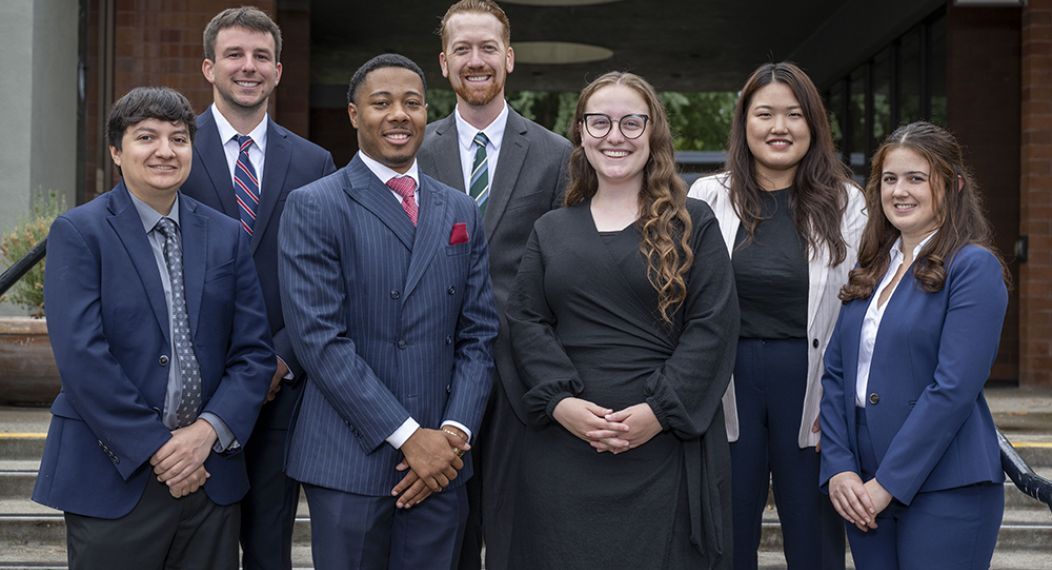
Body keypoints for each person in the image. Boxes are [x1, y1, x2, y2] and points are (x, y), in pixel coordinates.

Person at [32, 86, 274, 569]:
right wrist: (160, 449)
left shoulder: (225, 235)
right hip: (112, 477)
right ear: (117, 152)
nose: (165, 151)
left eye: (179, 139)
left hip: (210, 479)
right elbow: (83, 359)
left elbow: (254, 354)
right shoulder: (80, 233)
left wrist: (206, 433)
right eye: (147, 137)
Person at [506, 71, 739, 569]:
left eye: (632, 123)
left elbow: (713, 328)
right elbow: (526, 321)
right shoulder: (550, 229)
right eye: (600, 122)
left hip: (665, 446)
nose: (615, 136)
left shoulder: (694, 222)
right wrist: (561, 403)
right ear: (581, 133)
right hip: (564, 450)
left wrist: (659, 412)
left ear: (654, 132)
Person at [278, 53, 499, 569]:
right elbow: (319, 341)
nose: (398, 115)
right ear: (355, 114)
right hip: (350, 459)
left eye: (413, 103)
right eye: (381, 103)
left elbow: (480, 334)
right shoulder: (316, 204)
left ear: (427, 113)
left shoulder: (460, 208)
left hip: (442, 463)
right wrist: (407, 437)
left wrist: (453, 434)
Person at [688, 61, 865, 570]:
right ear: (744, 123)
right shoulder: (708, 196)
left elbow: (857, 305)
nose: (779, 127)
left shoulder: (847, 203)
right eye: (764, 113)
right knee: (727, 531)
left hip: (811, 383)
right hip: (728, 382)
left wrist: (837, 398)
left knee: (813, 537)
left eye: (794, 114)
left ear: (814, 124)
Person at [178, 8, 337, 568]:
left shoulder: (315, 163)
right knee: (199, 547)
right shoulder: (173, 151)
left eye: (261, 56)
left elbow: (328, 277)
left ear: (278, 70)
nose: (248, 67)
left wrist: (281, 358)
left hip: (282, 389)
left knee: (271, 547)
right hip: (191, 391)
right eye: (235, 55)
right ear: (208, 67)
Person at [417, 2, 571, 568]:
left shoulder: (557, 155)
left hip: (520, 376)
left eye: (487, 48)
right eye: (462, 49)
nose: (475, 60)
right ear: (444, 62)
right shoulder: (414, 150)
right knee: (443, 532)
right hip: (432, 374)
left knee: (516, 535)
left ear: (509, 57)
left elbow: (566, 271)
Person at [820, 121, 1009, 570]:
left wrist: (886, 483)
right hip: (862, 484)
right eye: (889, 179)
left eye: (916, 178)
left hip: (946, 485)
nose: (899, 191)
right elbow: (836, 374)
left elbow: (953, 388)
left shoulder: (973, 267)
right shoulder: (872, 269)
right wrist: (840, 467)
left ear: (953, 185)